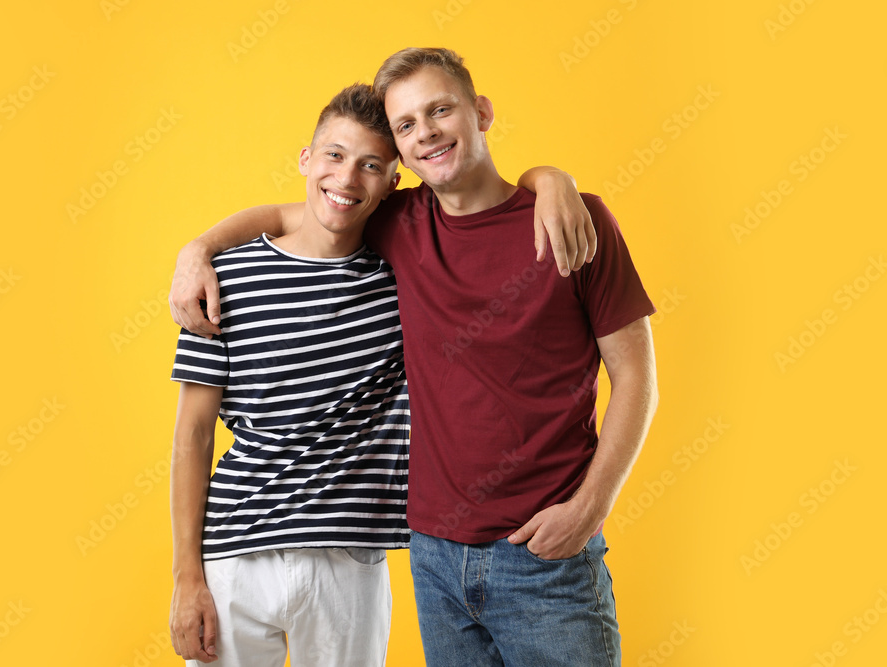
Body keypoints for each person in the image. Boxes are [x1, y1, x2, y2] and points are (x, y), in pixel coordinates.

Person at [171, 48, 657, 666]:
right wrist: (197, 249)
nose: (425, 131)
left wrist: (590, 508)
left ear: (480, 112)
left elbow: (637, 376)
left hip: (546, 558)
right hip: (434, 556)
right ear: (402, 156)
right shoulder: (397, 222)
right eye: (406, 125)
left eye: (440, 110)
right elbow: (308, 212)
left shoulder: (573, 219)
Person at [168, 84, 410, 667]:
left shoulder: (405, 273)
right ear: (305, 159)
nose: (347, 178)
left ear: (392, 182)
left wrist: (550, 179)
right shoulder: (224, 276)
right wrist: (186, 577)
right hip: (232, 556)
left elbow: (480, 202)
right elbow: (194, 436)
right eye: (334, 154)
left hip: (348, 561)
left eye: (370, 164)